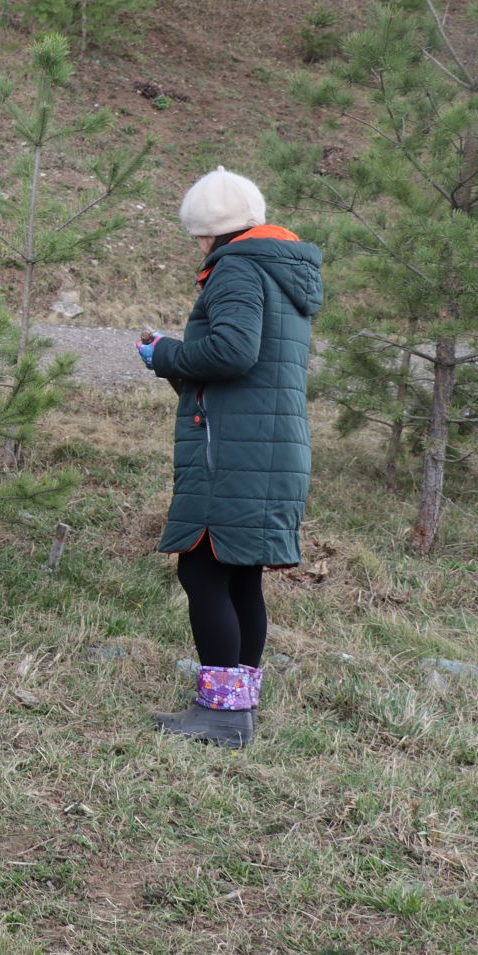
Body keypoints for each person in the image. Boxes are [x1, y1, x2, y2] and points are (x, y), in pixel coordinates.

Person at [138, 166, 321, 749]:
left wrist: (163, 352)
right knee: (240, 575)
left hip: (234, 450)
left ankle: (219, 716)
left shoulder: (238, 268)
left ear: (212, 231)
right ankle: (237, 712)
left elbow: (234, 352)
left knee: (201, 566)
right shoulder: (280, 271)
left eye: (197, 234)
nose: (197, 245)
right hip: (269, 446)